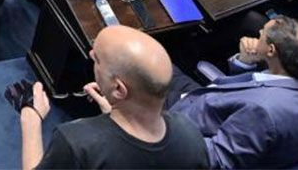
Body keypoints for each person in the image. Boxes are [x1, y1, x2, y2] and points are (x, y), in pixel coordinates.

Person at [18, 25, 208, 170]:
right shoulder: (191, 135)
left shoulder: (76, 142)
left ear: (118, 89)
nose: (91, 55)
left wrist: (32, 118)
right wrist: (114, 111)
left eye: (97, 59)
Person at [168, 16, 298, 168]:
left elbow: (215, 158)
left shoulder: (262, 113)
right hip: (203, 101)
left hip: (178, 125)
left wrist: (160, 134)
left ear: (271, 50)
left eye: (262, 33)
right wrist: (245, 62)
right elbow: (247, 94)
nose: (258, 33)